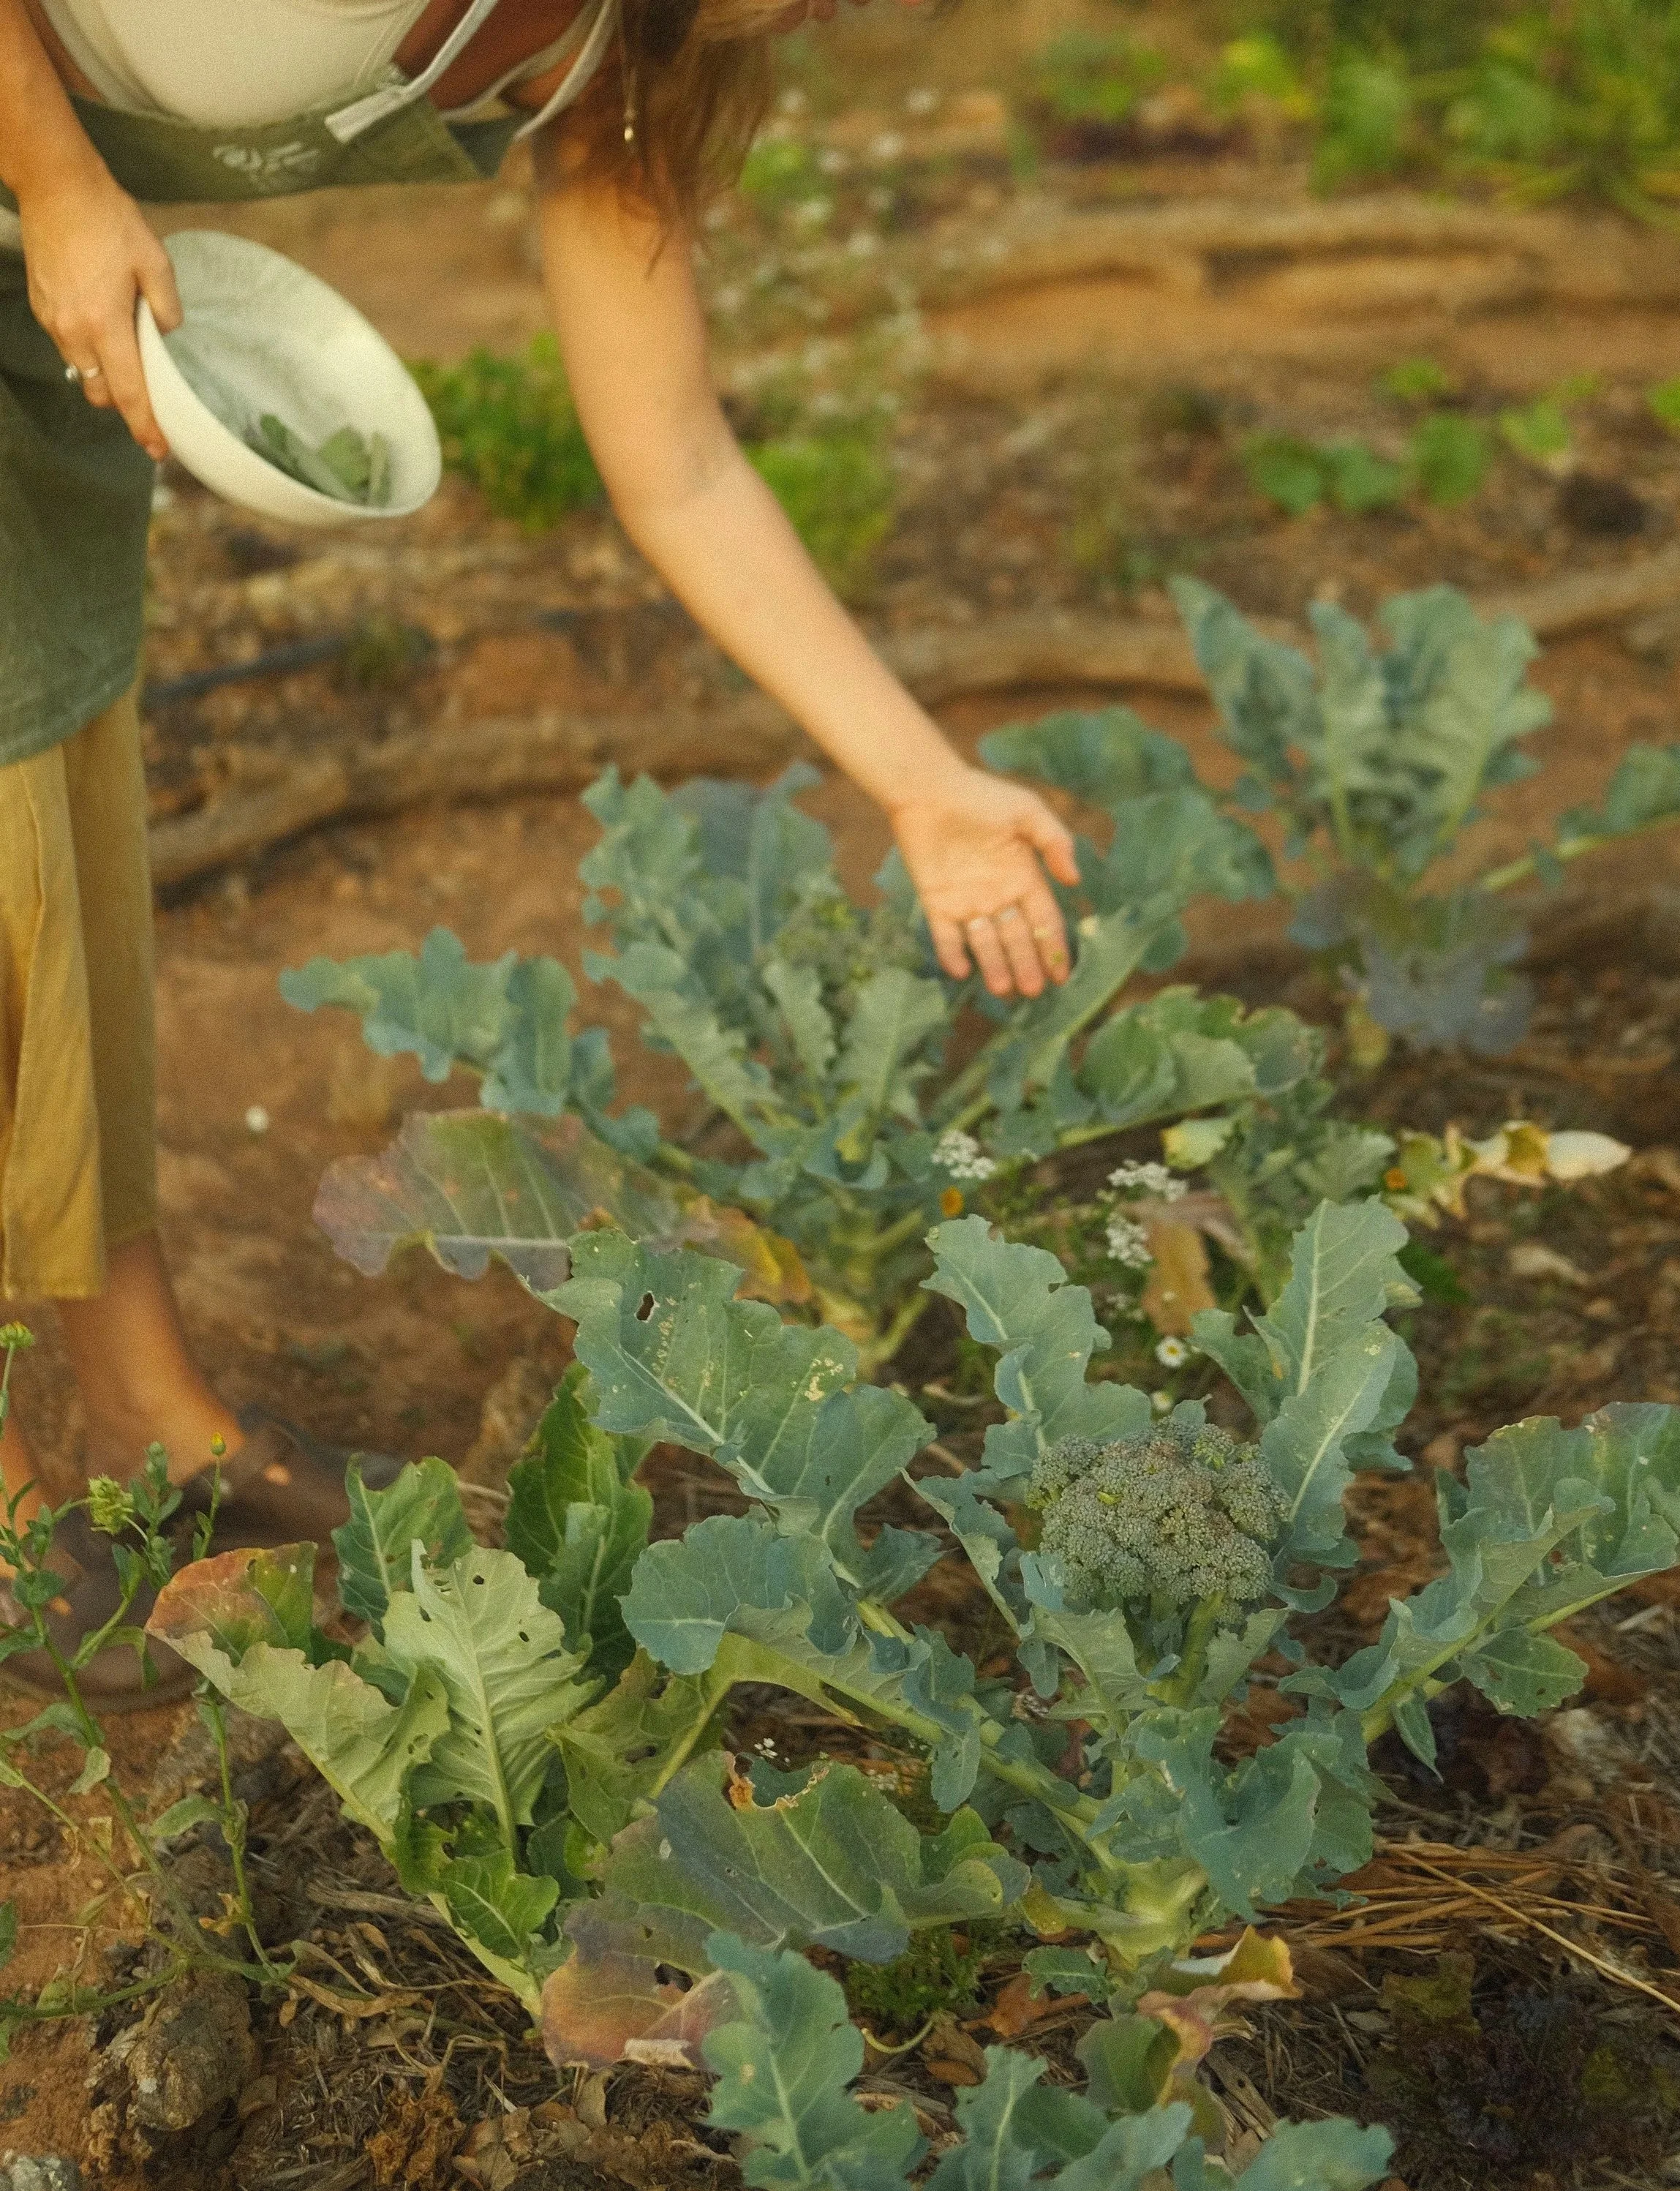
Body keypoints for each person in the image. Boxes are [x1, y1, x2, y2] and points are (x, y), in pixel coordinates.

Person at [0, 0, 1080, 1696]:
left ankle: (148, 1410)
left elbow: (681, 461)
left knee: (57, 797)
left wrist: (918, 781)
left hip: (26, 285)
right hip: (34, 206)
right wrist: (59, 179)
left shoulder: (631, 57)